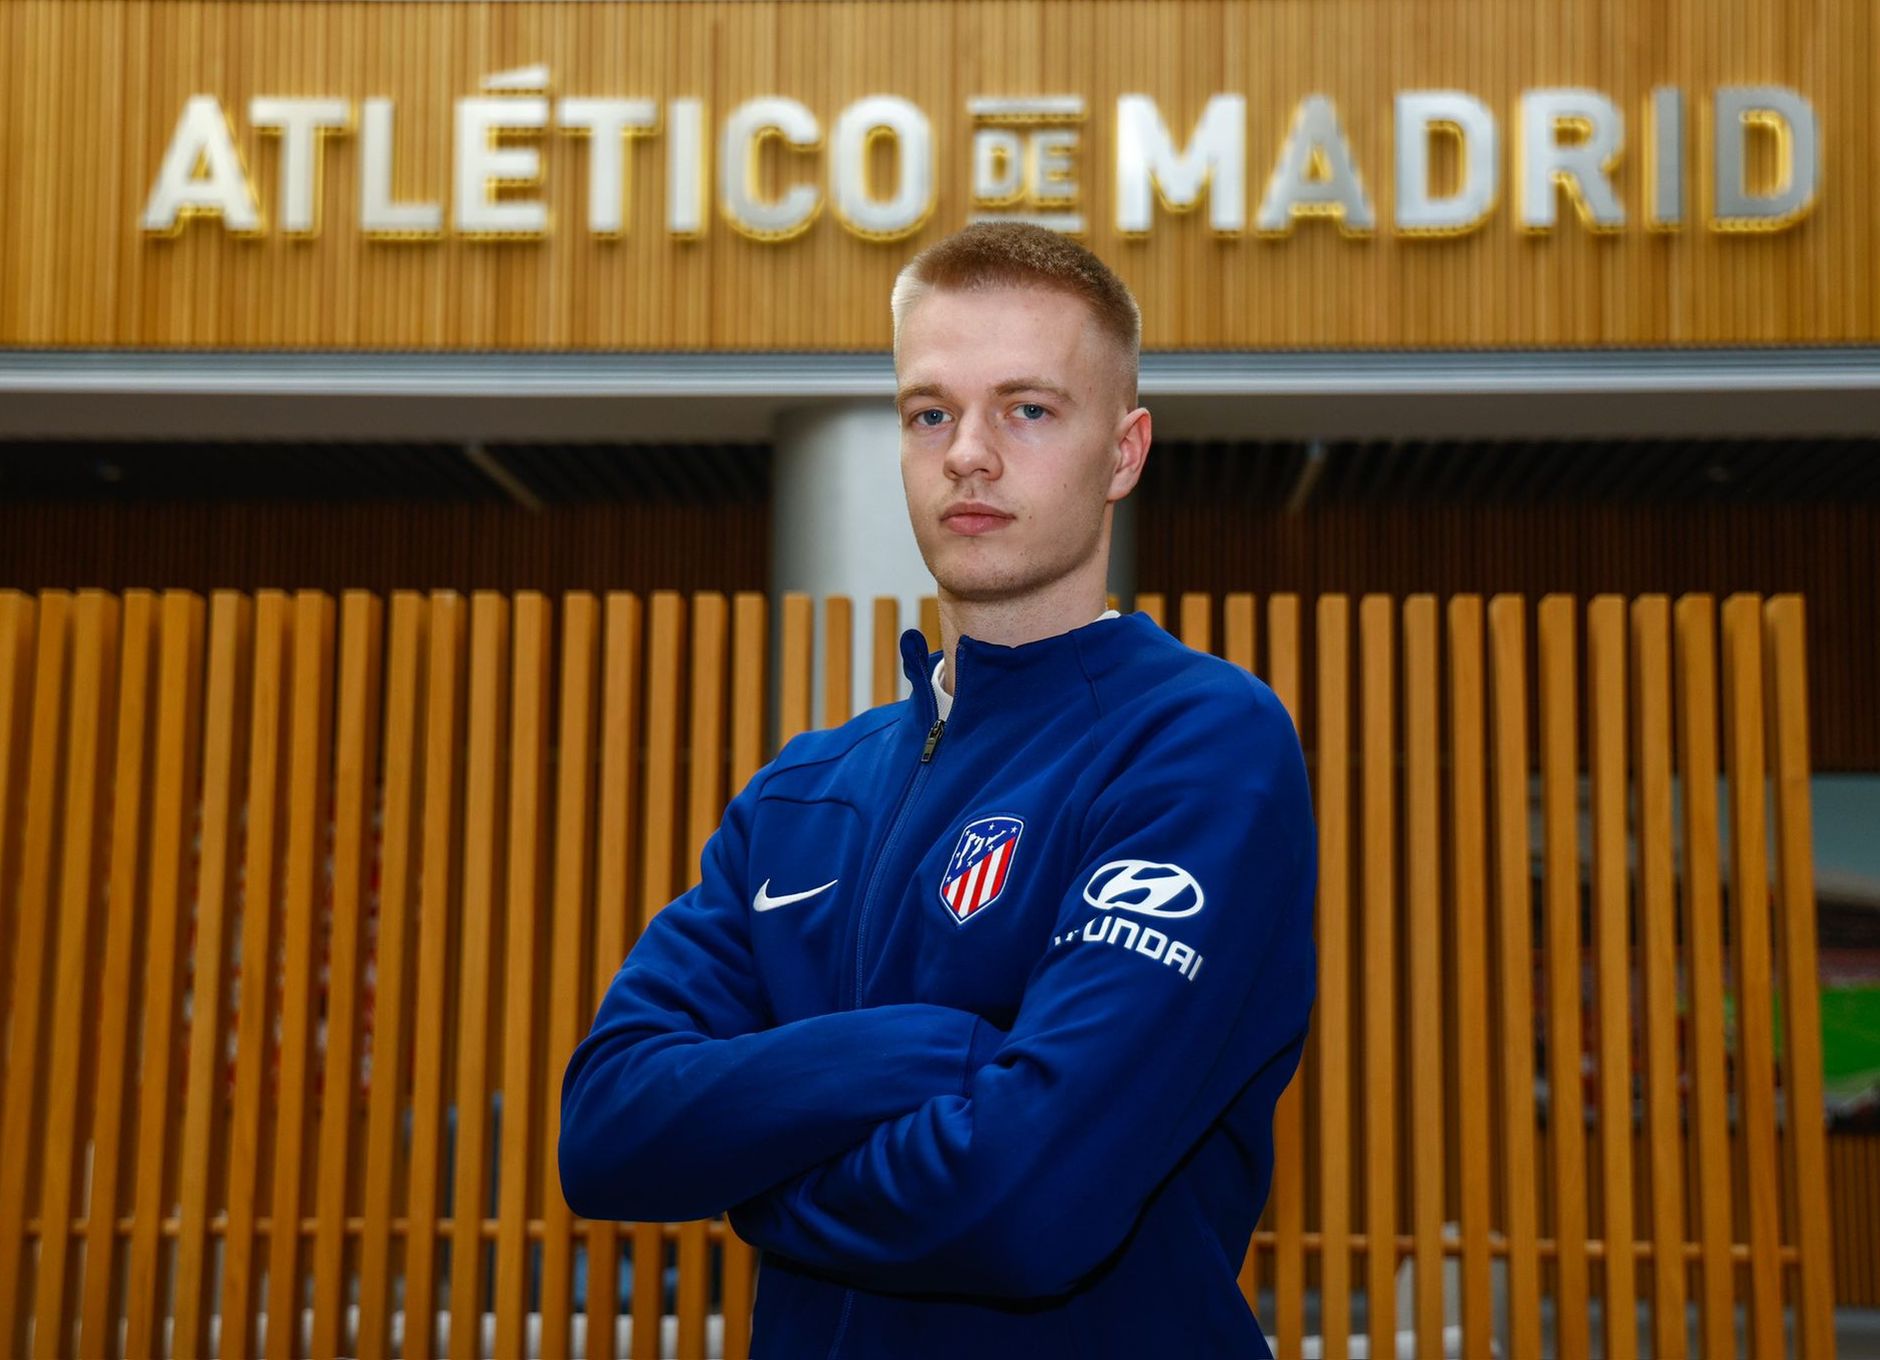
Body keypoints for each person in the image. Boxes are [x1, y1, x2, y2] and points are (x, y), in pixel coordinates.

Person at [559, 221, 1317, 1357]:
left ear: (1123, 451)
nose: (967, 452)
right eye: (929, 412)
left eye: (1026, 408)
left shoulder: (1198, 742)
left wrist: (762, 1187)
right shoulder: (803, 791)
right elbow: (608, 1126)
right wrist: (939, 1052)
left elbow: (1027, 1200)